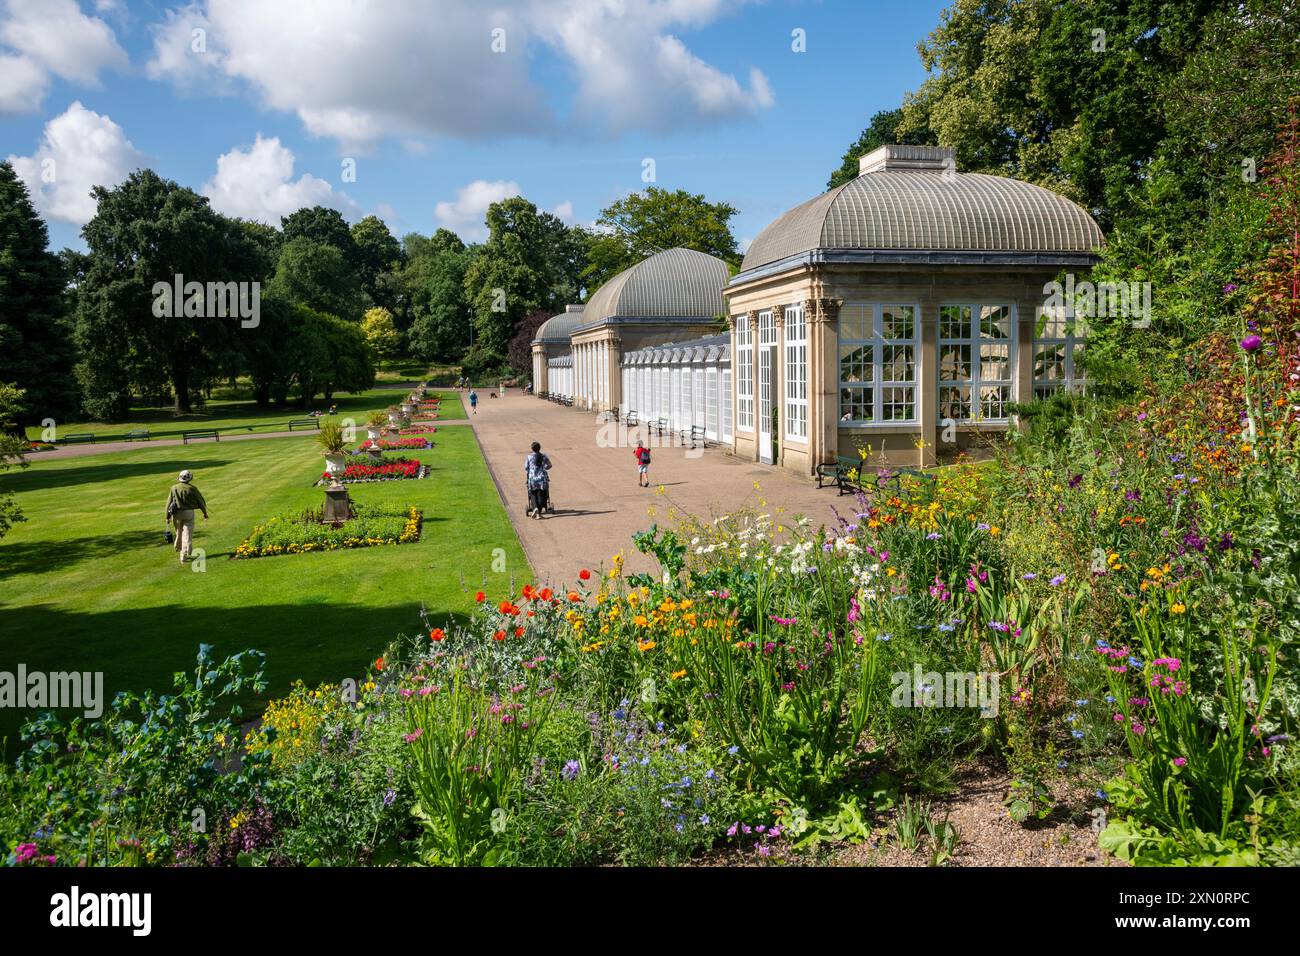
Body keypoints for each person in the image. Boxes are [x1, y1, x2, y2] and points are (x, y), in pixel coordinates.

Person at [165, 469, 208, 564]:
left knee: (179, 533)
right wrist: (204, 512)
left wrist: (167, 517)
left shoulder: (174, 488)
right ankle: (185, 554)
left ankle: (178, 546)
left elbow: (168, 503)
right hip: (188, 513)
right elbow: (200, 501)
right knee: (187, 535)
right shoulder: (192, 488)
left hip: (176, 514)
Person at [524, 441, 552, 519]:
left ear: (532, 449)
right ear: (539, 448)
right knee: (541, 495)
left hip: (532, 478)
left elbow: (526, 467)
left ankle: (535, 508)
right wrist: (544, 468)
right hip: (542, 478)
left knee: (533, 494)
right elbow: (549, 465)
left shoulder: (529, 457)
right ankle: (538, 513)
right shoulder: (544, 456)